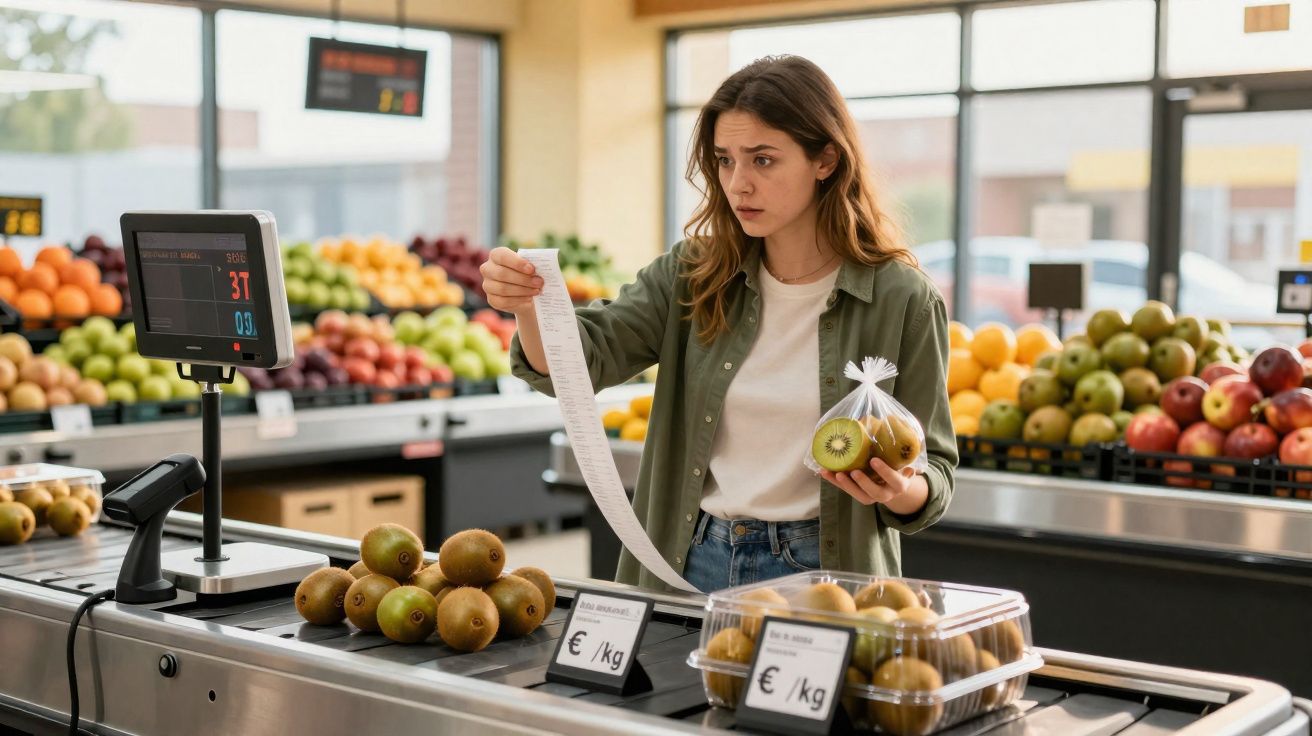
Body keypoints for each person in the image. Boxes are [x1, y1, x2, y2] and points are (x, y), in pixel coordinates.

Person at [481, 55, 956, 593]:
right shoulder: (692, 274)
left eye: (763, 160)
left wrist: (898, 490)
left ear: (825, 159)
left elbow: (935, 471)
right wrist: (528, 307)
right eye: (725, 161)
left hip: (824, 572)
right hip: (689, 558)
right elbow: (580, 364)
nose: (738, 184)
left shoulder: (901, 298)